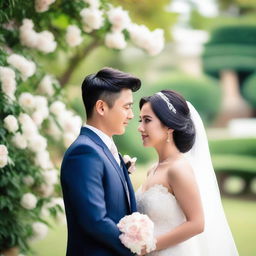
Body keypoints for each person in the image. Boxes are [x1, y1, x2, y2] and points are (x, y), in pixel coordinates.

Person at [136, 90, 239, 256]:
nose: (140, 127)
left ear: (169, 126)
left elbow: (197, 223)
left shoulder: (178, 169)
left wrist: (149, 246)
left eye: (147, 120)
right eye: (140, 120)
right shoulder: (152, 169)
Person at [60, 67, 141, 256]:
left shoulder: (104, 149)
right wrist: (136, 250)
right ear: (101, 107)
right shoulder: (84, 152)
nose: (131, 115)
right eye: (126, 107)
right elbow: (95, 221)